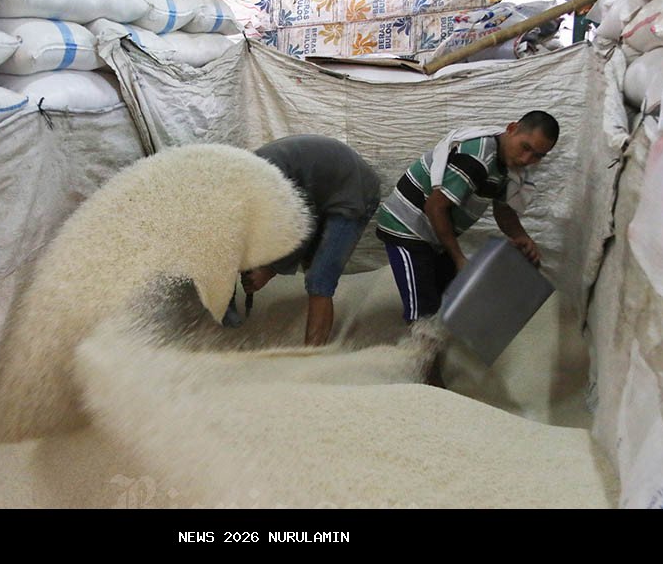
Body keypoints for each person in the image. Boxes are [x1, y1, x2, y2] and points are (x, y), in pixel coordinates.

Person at [375, 111, 559, 384]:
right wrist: (458, 257)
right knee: (422, 311)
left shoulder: (508, 166)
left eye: (537, 156)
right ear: (512, 128)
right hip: (406, 226)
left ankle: (430, 368)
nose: (526, 159)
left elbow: (504, 210)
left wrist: (522, 237)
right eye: (525, 148)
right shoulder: (477, 157)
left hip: (432, 233)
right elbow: (435, 207)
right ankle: (422, 382)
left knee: (448, 297)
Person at [233, 134, 382, 347]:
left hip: (353, 190)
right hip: (323, 190)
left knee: (319, 279)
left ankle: (312, 355)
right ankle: (317, 341)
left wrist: (269, 269)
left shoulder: (266, 181)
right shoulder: (244, 187)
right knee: (312, 266)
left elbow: (303, 225)